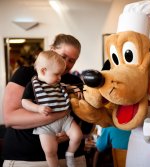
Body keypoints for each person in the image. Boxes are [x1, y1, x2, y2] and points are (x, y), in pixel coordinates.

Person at [2, 34, 93, 167]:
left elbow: (87, 118)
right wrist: (61, 115)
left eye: (72, 61)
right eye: (63, 57)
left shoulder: (75, 82)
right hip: (28, 160)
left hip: (73, 160)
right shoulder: (25, 75)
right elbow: (10, 118)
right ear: (51, 49)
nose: (66, 64)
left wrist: (69, 133)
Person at [21, 50, 83, 167]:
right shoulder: (33, 85)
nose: (60, 78)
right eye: (57, 74)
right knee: (50, 151)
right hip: (45, 126)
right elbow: (24, 102)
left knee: (77, 135)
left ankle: (70, 153)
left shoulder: (57, 83)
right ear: (44, 71)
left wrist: (75, 89)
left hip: (65, 120)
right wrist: (38, 108)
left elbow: (67, 87)